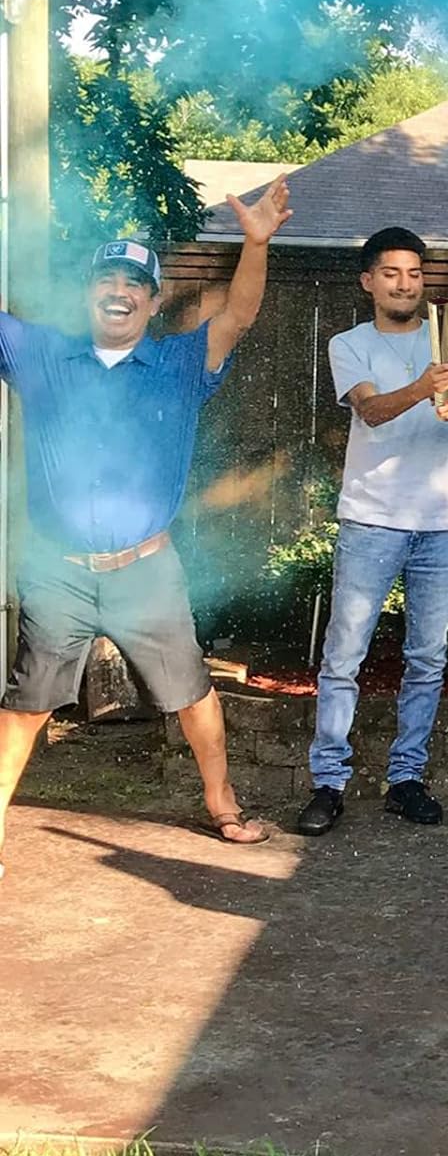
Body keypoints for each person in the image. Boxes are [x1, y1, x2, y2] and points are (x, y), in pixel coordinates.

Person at [0, 180, 294, 880]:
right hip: (56, 570)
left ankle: (223, 805)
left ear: (154, 302)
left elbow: (240, 316)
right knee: (26, 707)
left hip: (148, 570)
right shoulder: (41, 355)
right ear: (89, 294)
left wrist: (255, 243)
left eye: (136, 283)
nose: (120, 290)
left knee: (191, 694)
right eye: (108, 277)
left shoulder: (177, 363)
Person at [295, 227, 448, 837]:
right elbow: (372, 411)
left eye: (413, 273)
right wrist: (427, 387)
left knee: (427, 658)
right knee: (343, 657)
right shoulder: (348, 344)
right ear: (369, 282)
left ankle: (406, 779)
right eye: (391, 274)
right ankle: (328, 784)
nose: (404, 283)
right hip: (371, 519)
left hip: (440, 525)